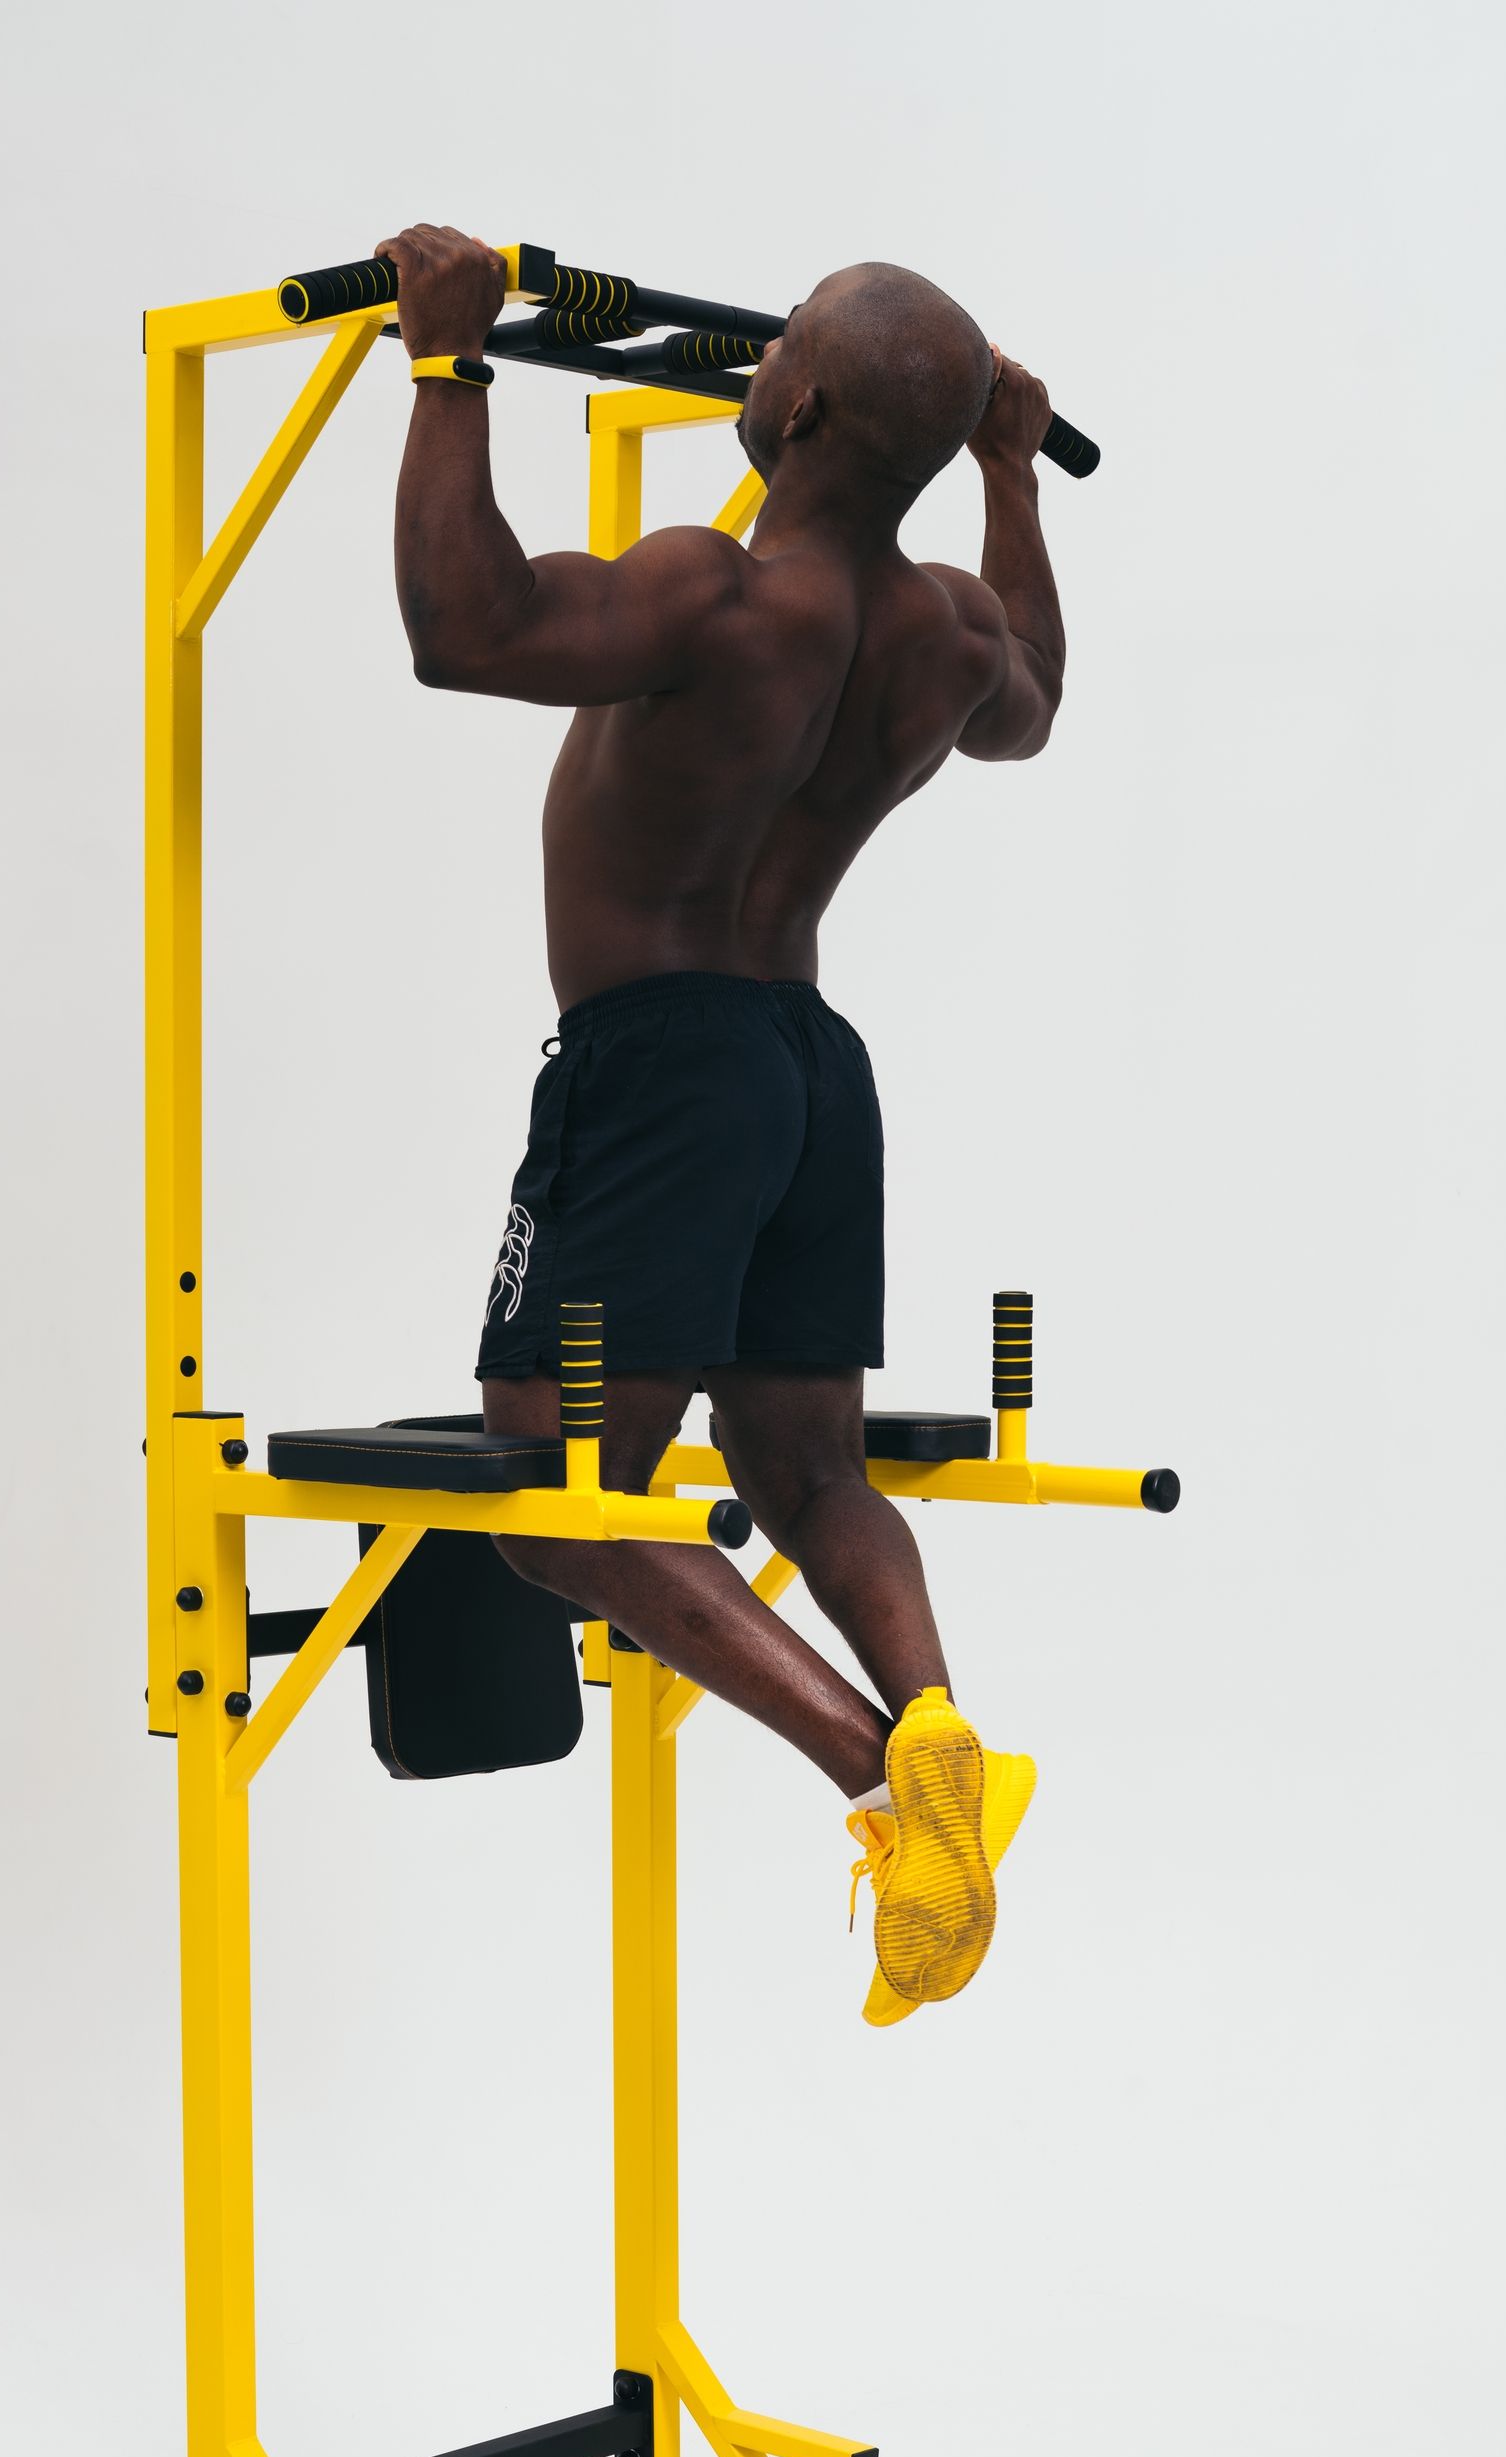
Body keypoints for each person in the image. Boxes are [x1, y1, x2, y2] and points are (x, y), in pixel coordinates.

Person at [379, 223, 1067, 2027]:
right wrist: (1007, 476)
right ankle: (939, 1727)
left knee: (556, 1504)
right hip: (809, 1069)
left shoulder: (712, 590)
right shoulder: (946, 629)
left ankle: (881, 1780)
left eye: (778, 353)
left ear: (801, 404)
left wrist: (446, 361)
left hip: (662, 1063)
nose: (754, 369)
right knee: (807, 1475)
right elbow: (1031, 712)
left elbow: (465, 631)